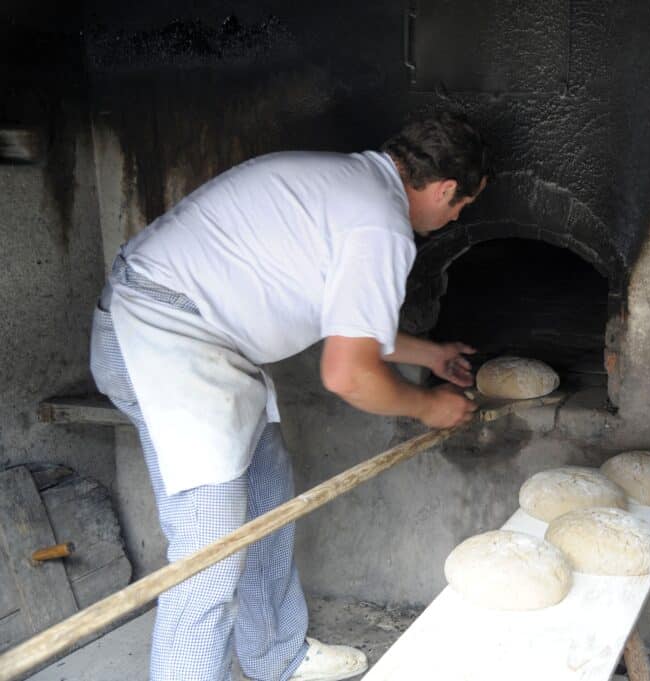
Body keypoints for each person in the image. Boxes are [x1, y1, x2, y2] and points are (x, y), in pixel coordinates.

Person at [89, 112, 488, 681]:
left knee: (267, 496)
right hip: (162, 339)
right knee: (209, 552)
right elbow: (347, 374)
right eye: (461, 205)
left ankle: (276, 655)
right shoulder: (379, 225)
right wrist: (430, 407)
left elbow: (349, 320)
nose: (455, 217)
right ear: (445, 188)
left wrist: (429, 355)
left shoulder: (349, 187)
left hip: (201, 343)